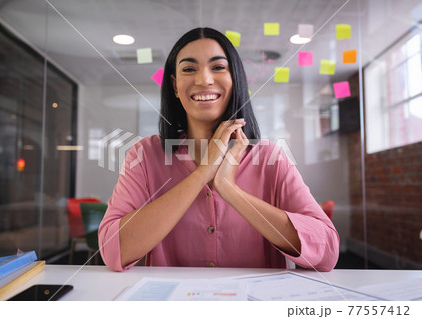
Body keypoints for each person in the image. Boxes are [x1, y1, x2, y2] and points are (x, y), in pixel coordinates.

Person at [98, 27, 339, 272]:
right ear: (174, 85)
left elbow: (327, 252)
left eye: (218, 67)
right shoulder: (145, 155)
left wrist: (230, 189)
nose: (204, 80)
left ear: (235, 79)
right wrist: (203, 172)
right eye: (189, 69)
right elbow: (113, 250)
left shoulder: (271, 158)